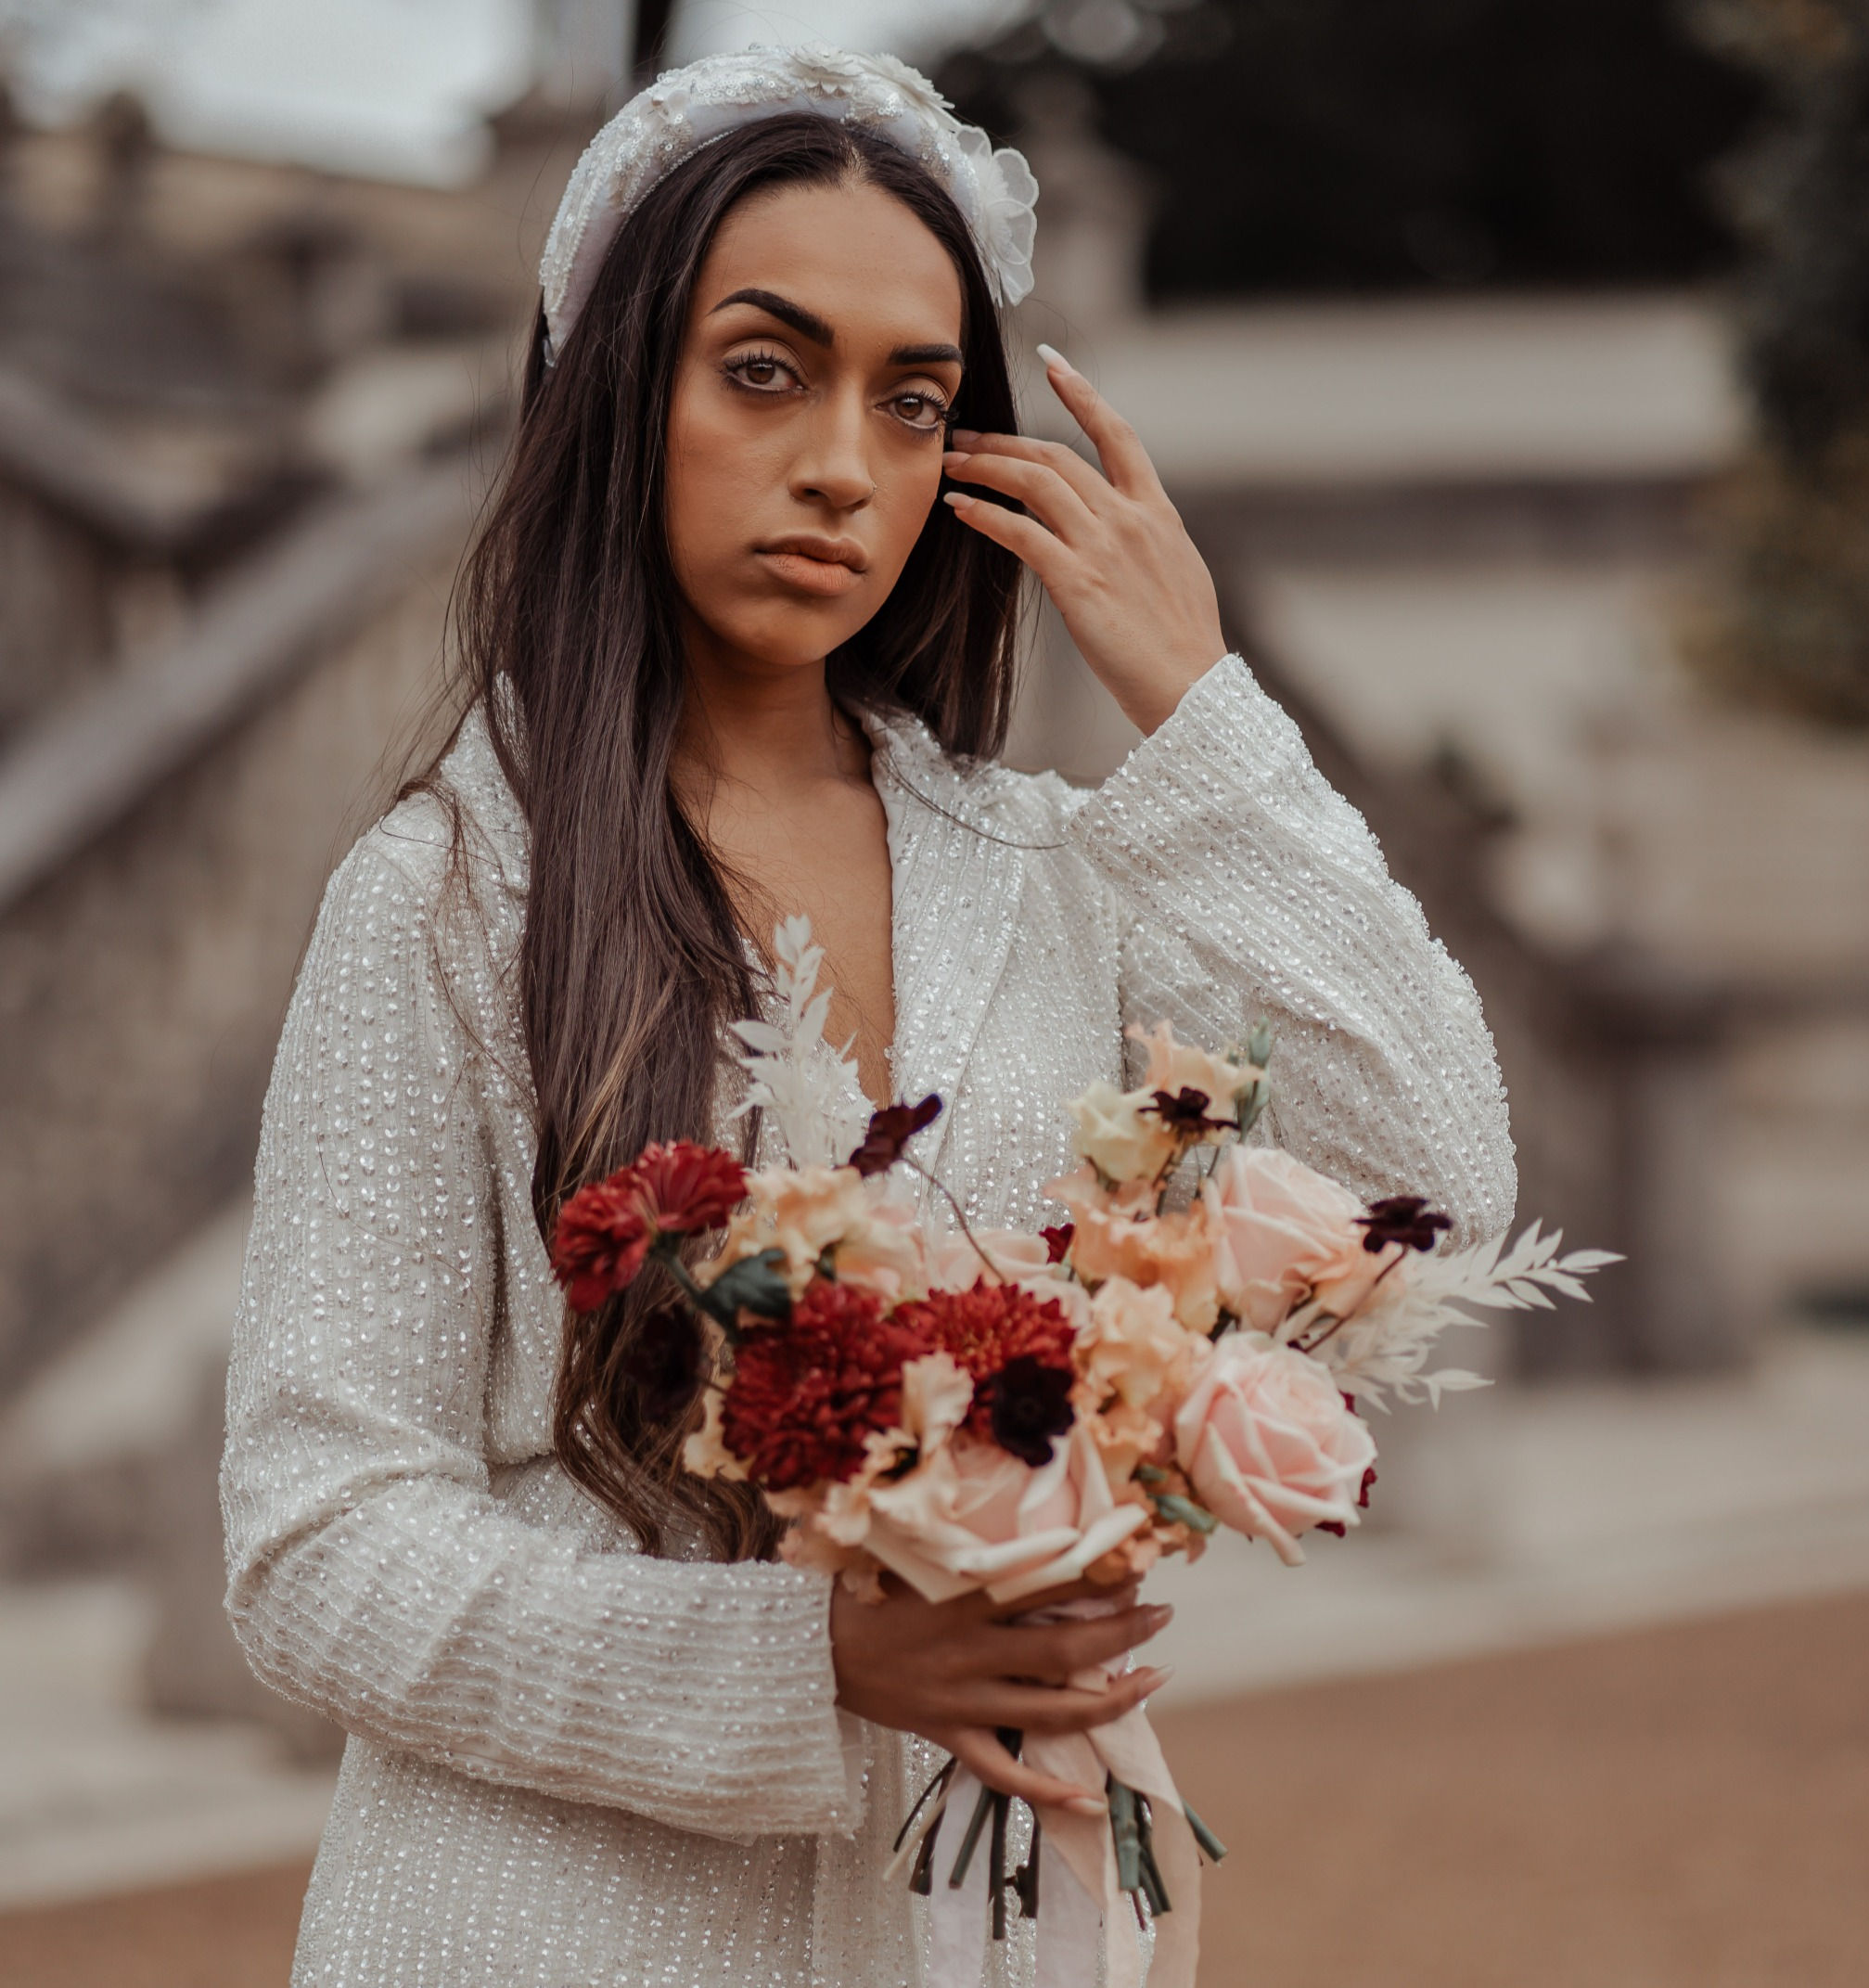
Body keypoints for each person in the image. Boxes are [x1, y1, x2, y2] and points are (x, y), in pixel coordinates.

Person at [221, 46, 1516, 1988]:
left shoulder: (1060, 872)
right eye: (765, 370)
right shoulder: (447, 896)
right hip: (534, 1933)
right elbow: (314, 1543)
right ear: (616, 398)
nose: (844, 462)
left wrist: (1207, 722)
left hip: (970, 1925)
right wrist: (803, 1657)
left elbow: (1433, 1189)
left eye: (913, 401)